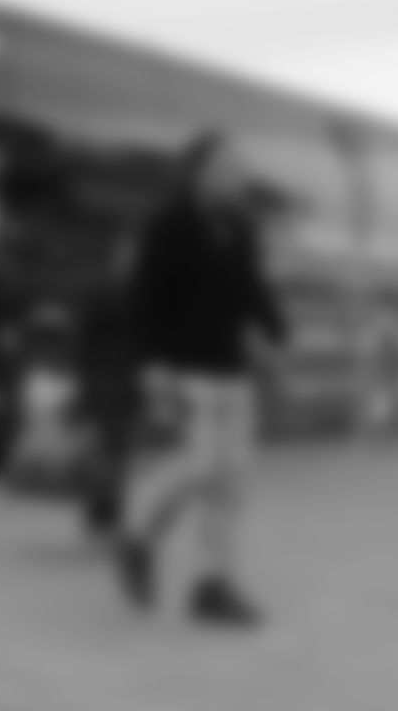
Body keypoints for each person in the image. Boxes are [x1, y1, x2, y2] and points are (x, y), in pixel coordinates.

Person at [114, 131, 290, 628]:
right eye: (227, 166)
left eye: (240, 167)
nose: (238, 176)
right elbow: (143, 297)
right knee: (194, 467)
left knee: (231, 481)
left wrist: (278, 330)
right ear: (199, 171)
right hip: (182, 370)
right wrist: (149, 363)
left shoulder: (241, 225)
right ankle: (137, 536)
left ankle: (213, 585)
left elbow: (252, 287)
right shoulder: (166, 225)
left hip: (232, 371)